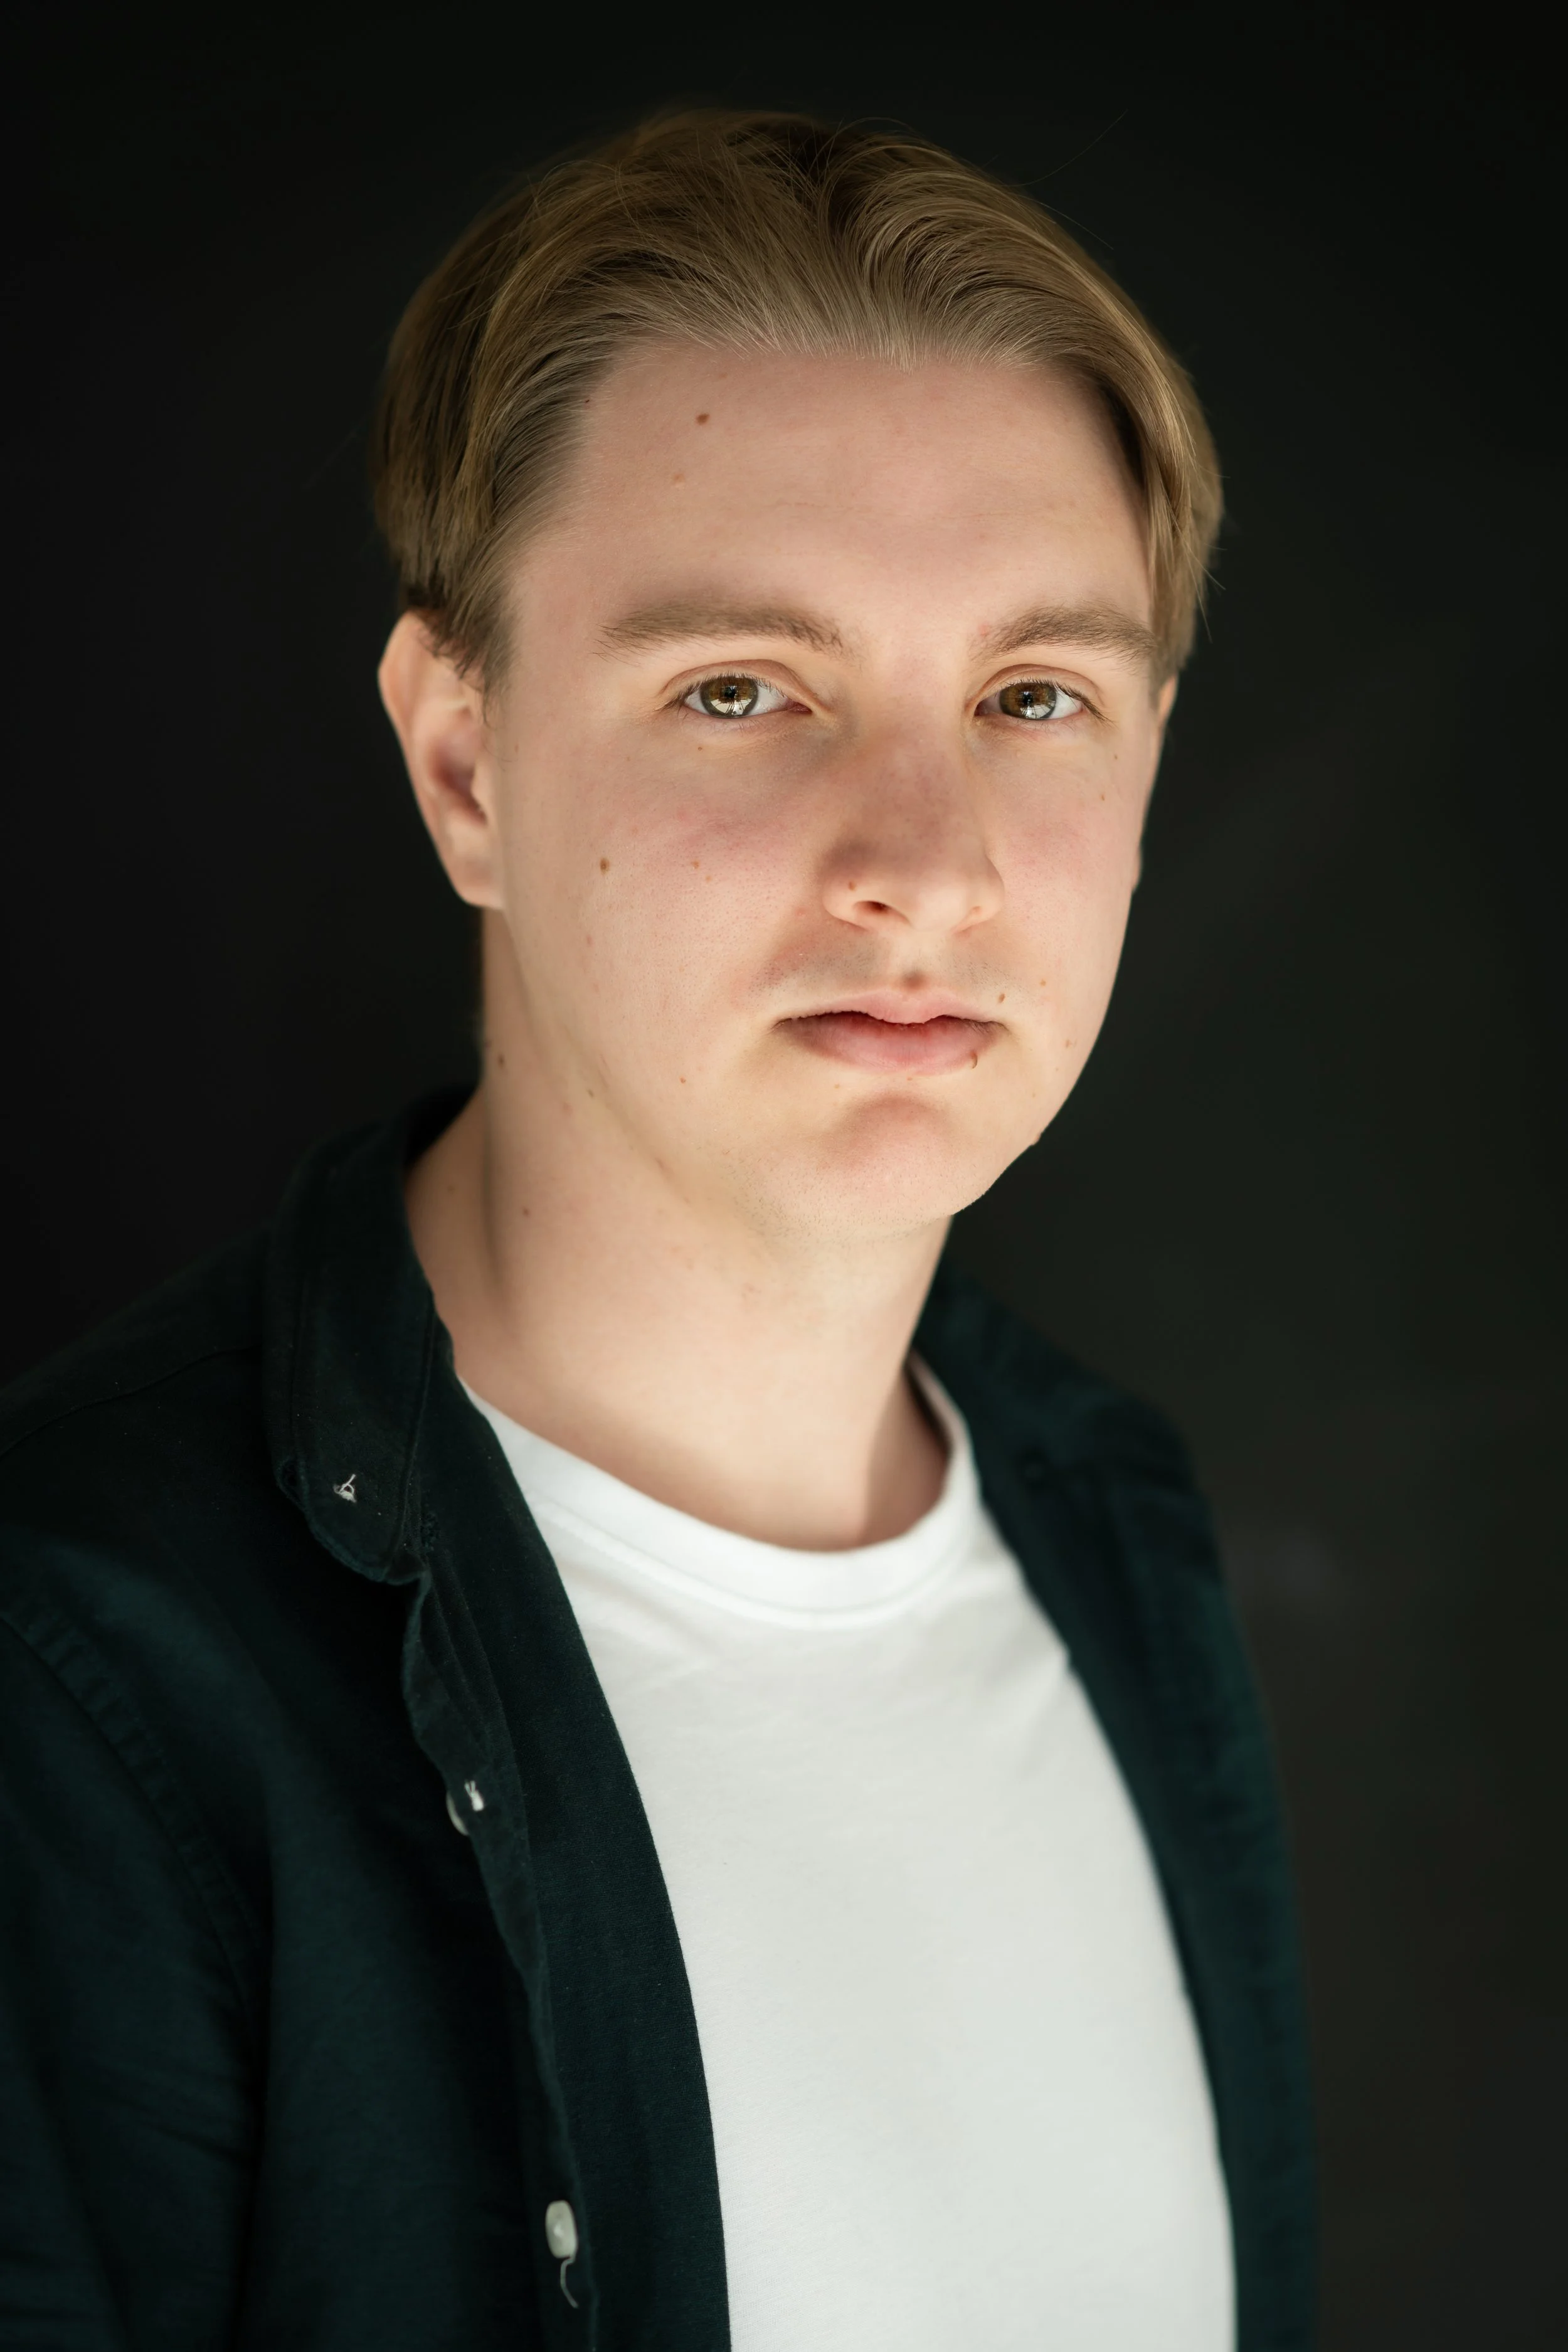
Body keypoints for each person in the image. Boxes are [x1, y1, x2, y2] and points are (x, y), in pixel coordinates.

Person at [0, 111, 1313, 2352]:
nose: (927, 861)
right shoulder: (83, 1675)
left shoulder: (1120, 1536)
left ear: (1149, 763)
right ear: (465, 764)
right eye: (740, 689)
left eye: (1031, 698)